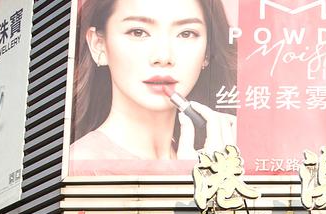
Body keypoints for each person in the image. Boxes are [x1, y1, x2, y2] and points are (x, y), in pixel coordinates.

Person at [69, 0, 238, 175]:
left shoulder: (204, 156)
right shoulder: (81, 165)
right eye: (138, 32)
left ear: (207, 52)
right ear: (98, 45)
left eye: (186, 33)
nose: (163, 57)